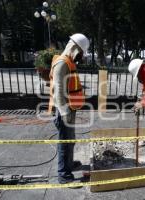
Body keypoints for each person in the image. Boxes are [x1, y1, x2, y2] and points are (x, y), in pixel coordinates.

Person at [48, 33, 89, 184]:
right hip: (63, 110)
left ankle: (69, 164)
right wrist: (65, 113)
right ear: (74, 48)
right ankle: (64, 175)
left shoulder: (69, 62)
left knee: (70, 140)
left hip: (69, 109)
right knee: (65, 142)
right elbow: (57, 92)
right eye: (81, 53)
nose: (81, 57)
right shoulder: (62, 63)